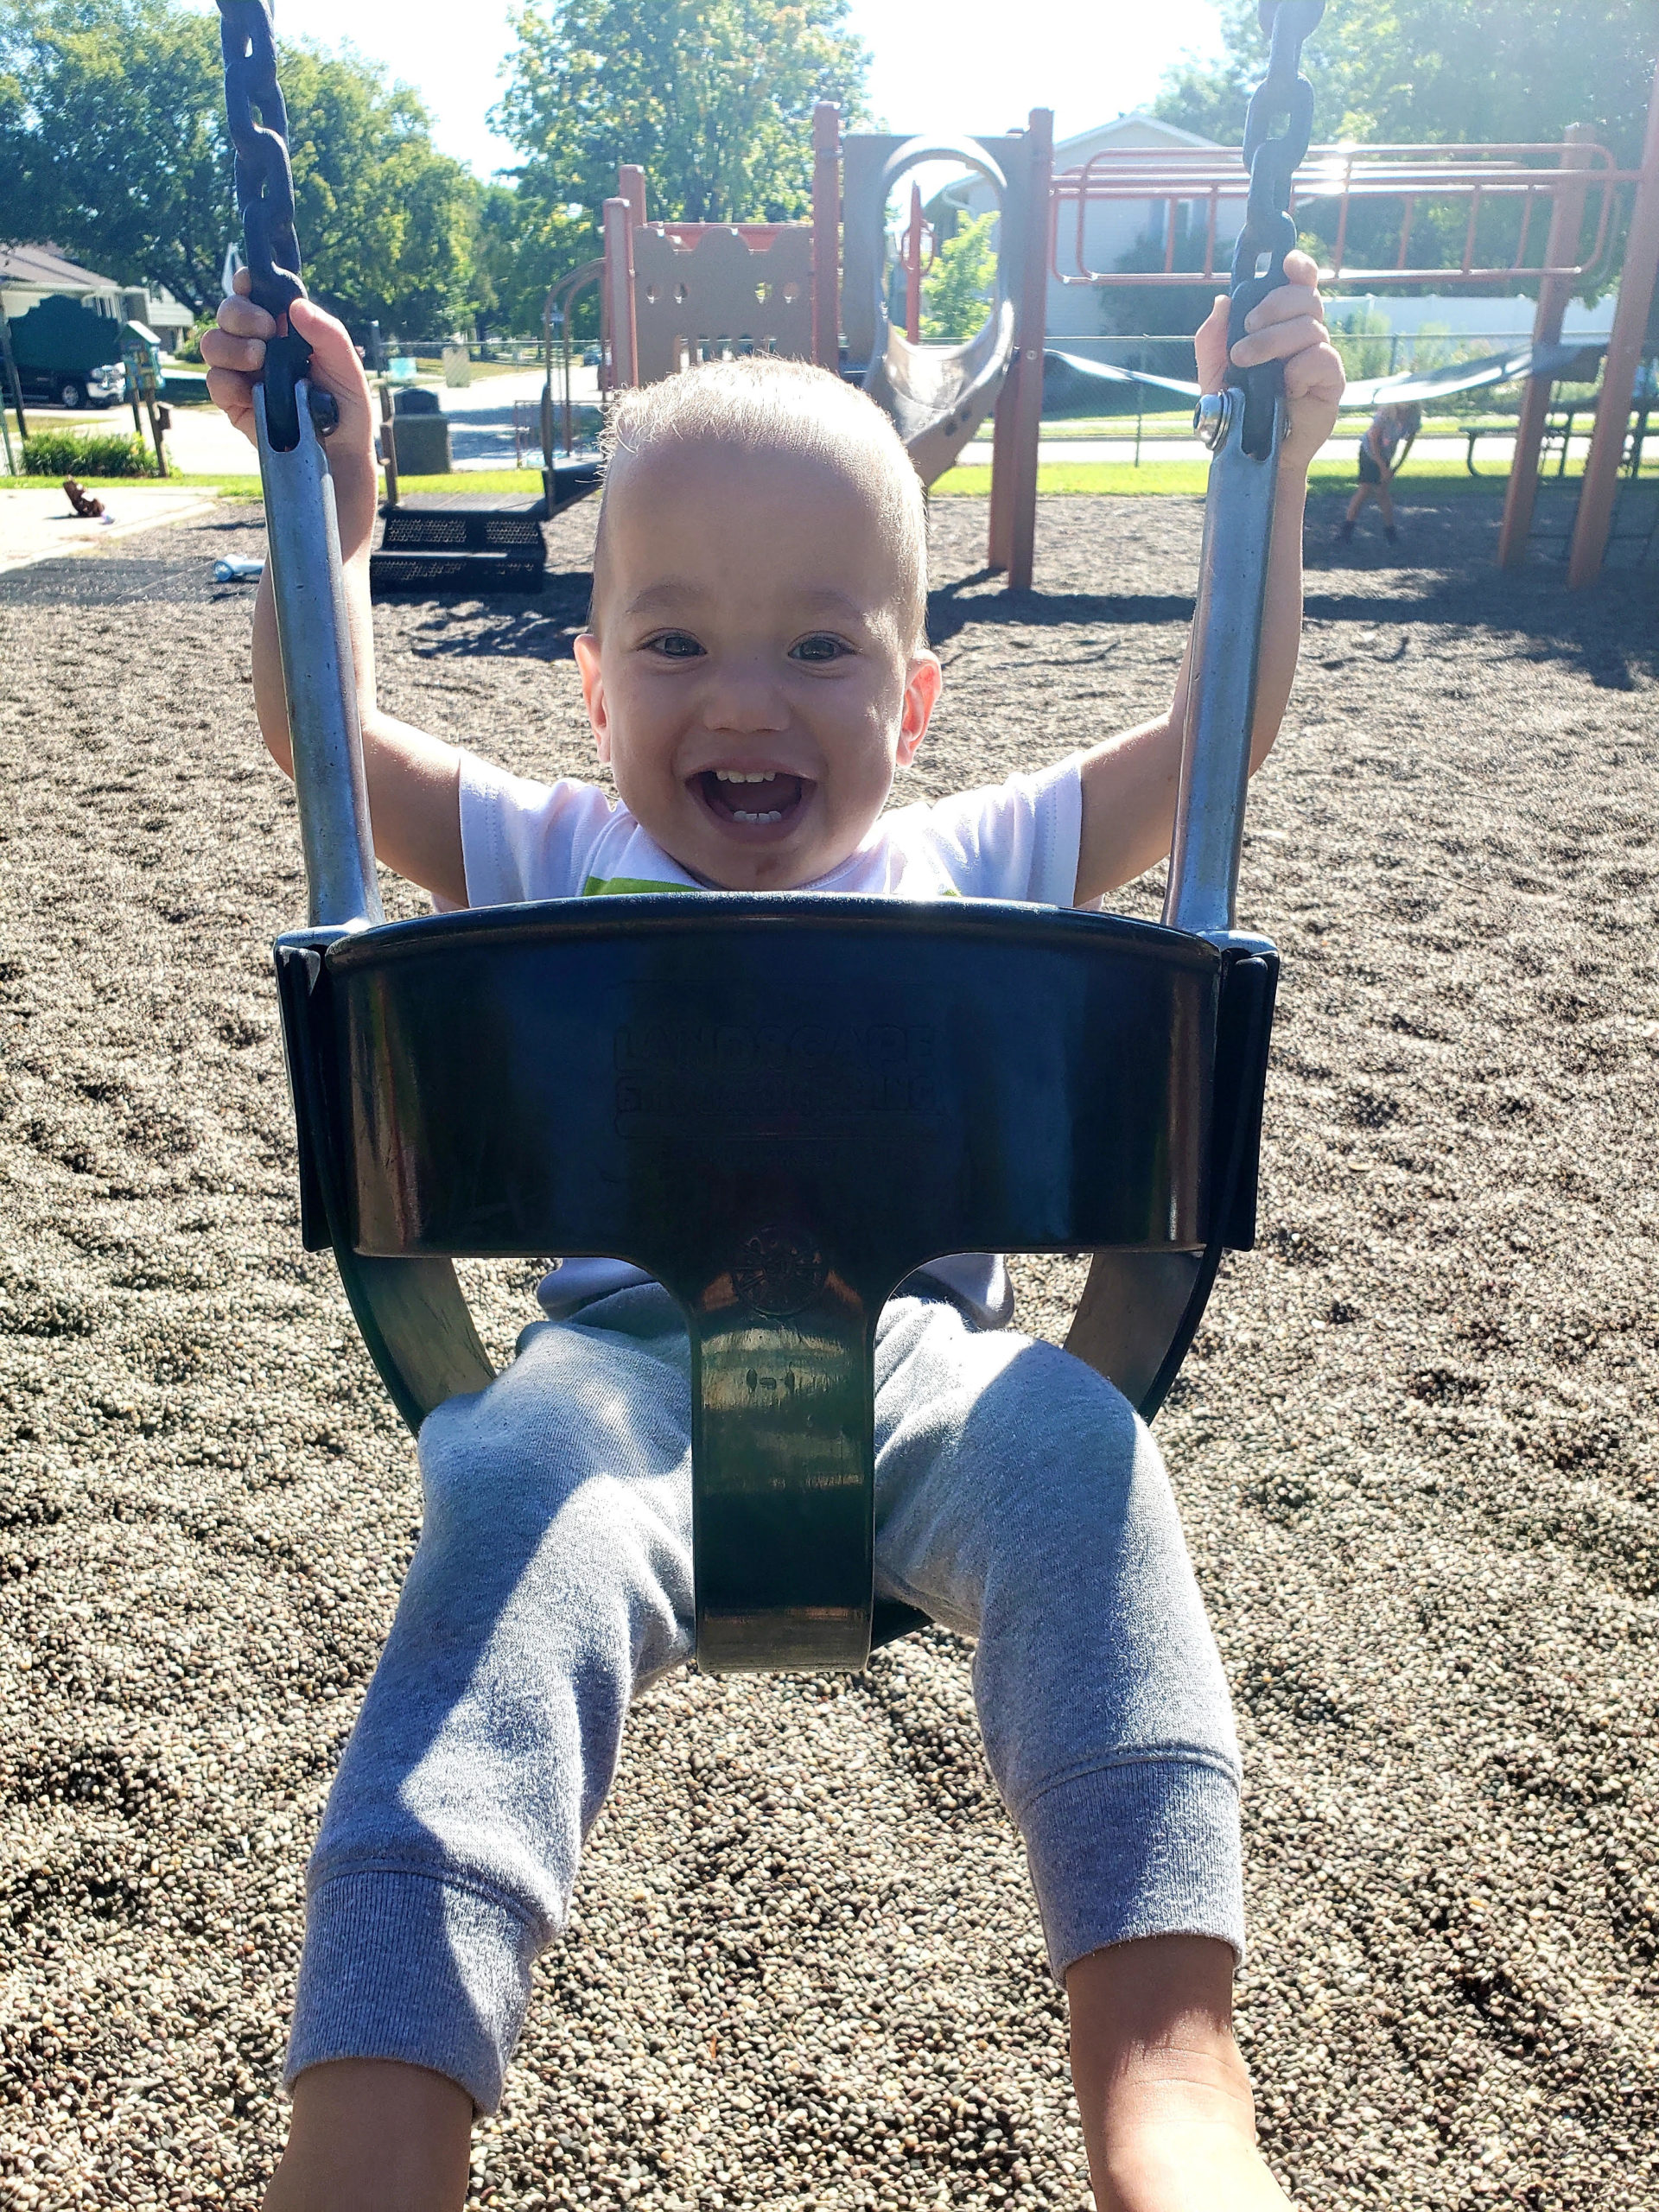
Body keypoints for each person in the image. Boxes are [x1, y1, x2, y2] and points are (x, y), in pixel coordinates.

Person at [202, 252, 1343, 2212]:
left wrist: (1273, 476)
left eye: (820, 646)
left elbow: (1203, 750)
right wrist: (338, 508)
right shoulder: (555, 848)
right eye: (674, 642)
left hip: (925, 1370)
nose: (744, 700)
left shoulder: (974, 856)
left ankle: (1168, 2065)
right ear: (592, 683)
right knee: (501, 1498)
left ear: (914, 694)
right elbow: (333, 754)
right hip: (614, 1380)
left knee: (1086, 1457)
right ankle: (377, 2114)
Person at [1339, 397, 1420, 544]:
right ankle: (1346, 531)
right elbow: (1373, 438)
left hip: (1387, 454)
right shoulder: (1386, 412)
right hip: (1370, 452)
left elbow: (1410, 439)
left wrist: (1396, 466)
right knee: (1365, 489)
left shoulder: (1414, 415)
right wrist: (1382, 467)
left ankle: (1390, 532)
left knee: (1382, 491)